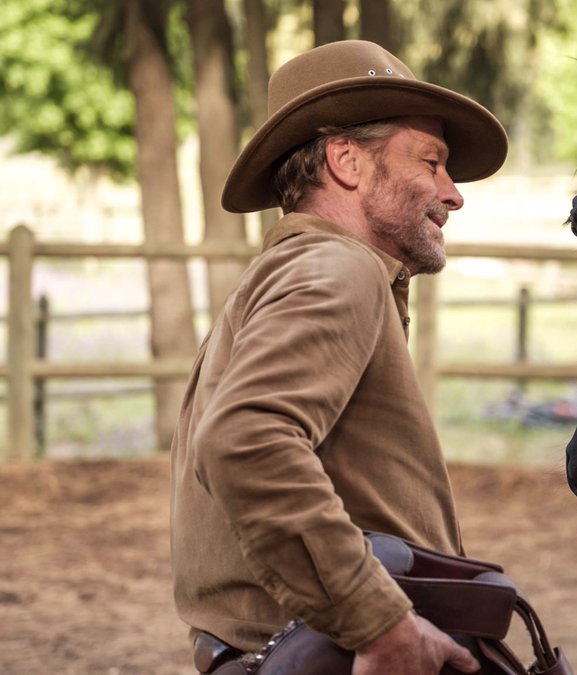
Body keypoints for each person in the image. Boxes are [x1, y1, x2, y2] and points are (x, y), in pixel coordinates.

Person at [170, 40, 507, 675]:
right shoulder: (339, 265)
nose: (452, 192)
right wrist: (378, 623)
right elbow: (247, 439)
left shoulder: (293, 271)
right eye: (431, 162)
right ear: (347, 161)